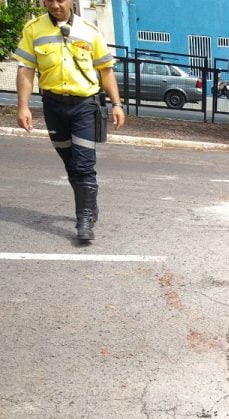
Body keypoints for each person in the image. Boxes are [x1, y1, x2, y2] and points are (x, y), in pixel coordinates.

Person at [14, 0, 124, 243]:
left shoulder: (89, 31)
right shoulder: (33, 29)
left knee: (83, 164)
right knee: (70, 162)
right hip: (53, 106)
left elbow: (106, 70)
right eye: (49, 0)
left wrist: (117, 104)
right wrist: (23, 107)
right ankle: (90, 206)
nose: (55, 5)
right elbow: (26, 69)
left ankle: (84, 219)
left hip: (84, 105)